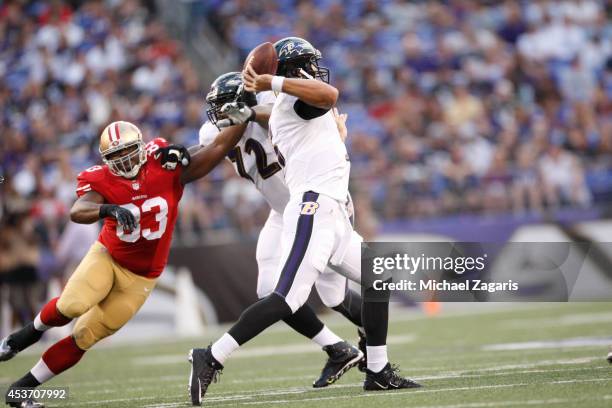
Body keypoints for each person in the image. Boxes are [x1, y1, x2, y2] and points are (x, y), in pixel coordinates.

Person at [188, 37, 420, 407]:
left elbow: (311, 100)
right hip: (312, 207)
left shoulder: (285, 105)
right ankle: (212, 355)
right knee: (285, 298)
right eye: (309, 65)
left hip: (330, 210)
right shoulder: (293, 104)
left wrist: (264, 96)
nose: (316, 69)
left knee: (378, 279)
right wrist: (270, 84)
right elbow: (328, 94)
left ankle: (378, 371)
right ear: (296, 71)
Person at [0, 119, 248, 408]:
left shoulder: (163, 164)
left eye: (128, 151)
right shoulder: (101, 179)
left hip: (142, 277)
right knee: (72, 305)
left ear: (142, 147)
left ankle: (20, 390)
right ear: (105, 160)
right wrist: (107, 208)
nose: (124, 159)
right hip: (108, 257)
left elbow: (215, 148)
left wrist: (244, 118)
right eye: (115, 156)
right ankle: (22, 337)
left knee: (85, 335)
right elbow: (78, 210)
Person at [199, 72, 365, 388]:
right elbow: (204, 153)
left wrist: (248, 112)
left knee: (332, 295)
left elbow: (272, 113)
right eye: (217, 109)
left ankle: (373, 340)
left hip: (320, 206)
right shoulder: (211, 131)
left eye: (225, 107)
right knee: (269, 290)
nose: (220, 115)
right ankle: (337, 348)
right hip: (283, 212)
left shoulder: (273, 107)